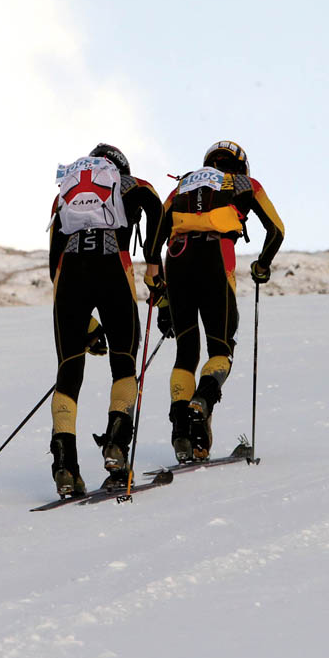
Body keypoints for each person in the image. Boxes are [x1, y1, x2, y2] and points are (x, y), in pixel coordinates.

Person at [146, 141, 284, 462]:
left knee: (186, 353)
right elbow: (276, 229)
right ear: (241, 165)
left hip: (176, 258)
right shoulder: (245, 183)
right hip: (215, 256)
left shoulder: (182, 184)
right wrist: (262, 265)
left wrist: (161, 294)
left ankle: (182, 429)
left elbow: (156, 233)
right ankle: (202, 401)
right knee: (220, 349)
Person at [46, 144, 164, 496]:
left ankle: (65, 466)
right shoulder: (132, 184)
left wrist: (88, 327)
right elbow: (158, 213)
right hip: (114, 268)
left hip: (70, 277)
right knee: (124, 366)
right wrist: (154, 263)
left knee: (68, 374)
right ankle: (116, 448)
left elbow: (55, 261)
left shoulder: (65, 193)